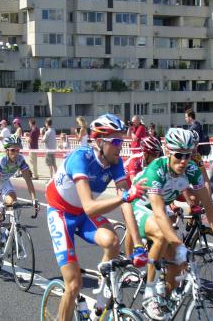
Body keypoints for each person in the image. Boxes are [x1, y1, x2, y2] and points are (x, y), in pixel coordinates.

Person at [45, 114, 148, 320]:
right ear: (100, 142)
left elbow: (126, 202)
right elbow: (91, 207)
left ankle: (101, 297)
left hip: (81, 213)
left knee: (112, 241)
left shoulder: (115, 163)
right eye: (117, 142)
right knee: (73, 284)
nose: (121, 146)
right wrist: (125, 197)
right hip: (61, 213)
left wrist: (138, 245)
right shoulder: (81, 158)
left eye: (123, 140)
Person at [131, 128, 213, 320]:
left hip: (159, 209)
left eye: (188, 155)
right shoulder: (157, 169)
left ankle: (165, 304)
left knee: (177, 268)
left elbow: (209, 207)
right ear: (168, 151)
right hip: (140, 205)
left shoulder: (191, 170)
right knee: (163, 234)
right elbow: (159, 213)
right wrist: (179, 245)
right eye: (179, 155)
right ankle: (149, 292)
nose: (184, 160)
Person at [0, 135, 38, 261]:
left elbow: (28, 181)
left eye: (18, 150)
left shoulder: (20, 160)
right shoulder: (1, 160)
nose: (15, 153)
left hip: (5, 181)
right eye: (13, 150)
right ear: (7, 150)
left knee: (15, 204)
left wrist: (34, 199)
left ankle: (9, 230)